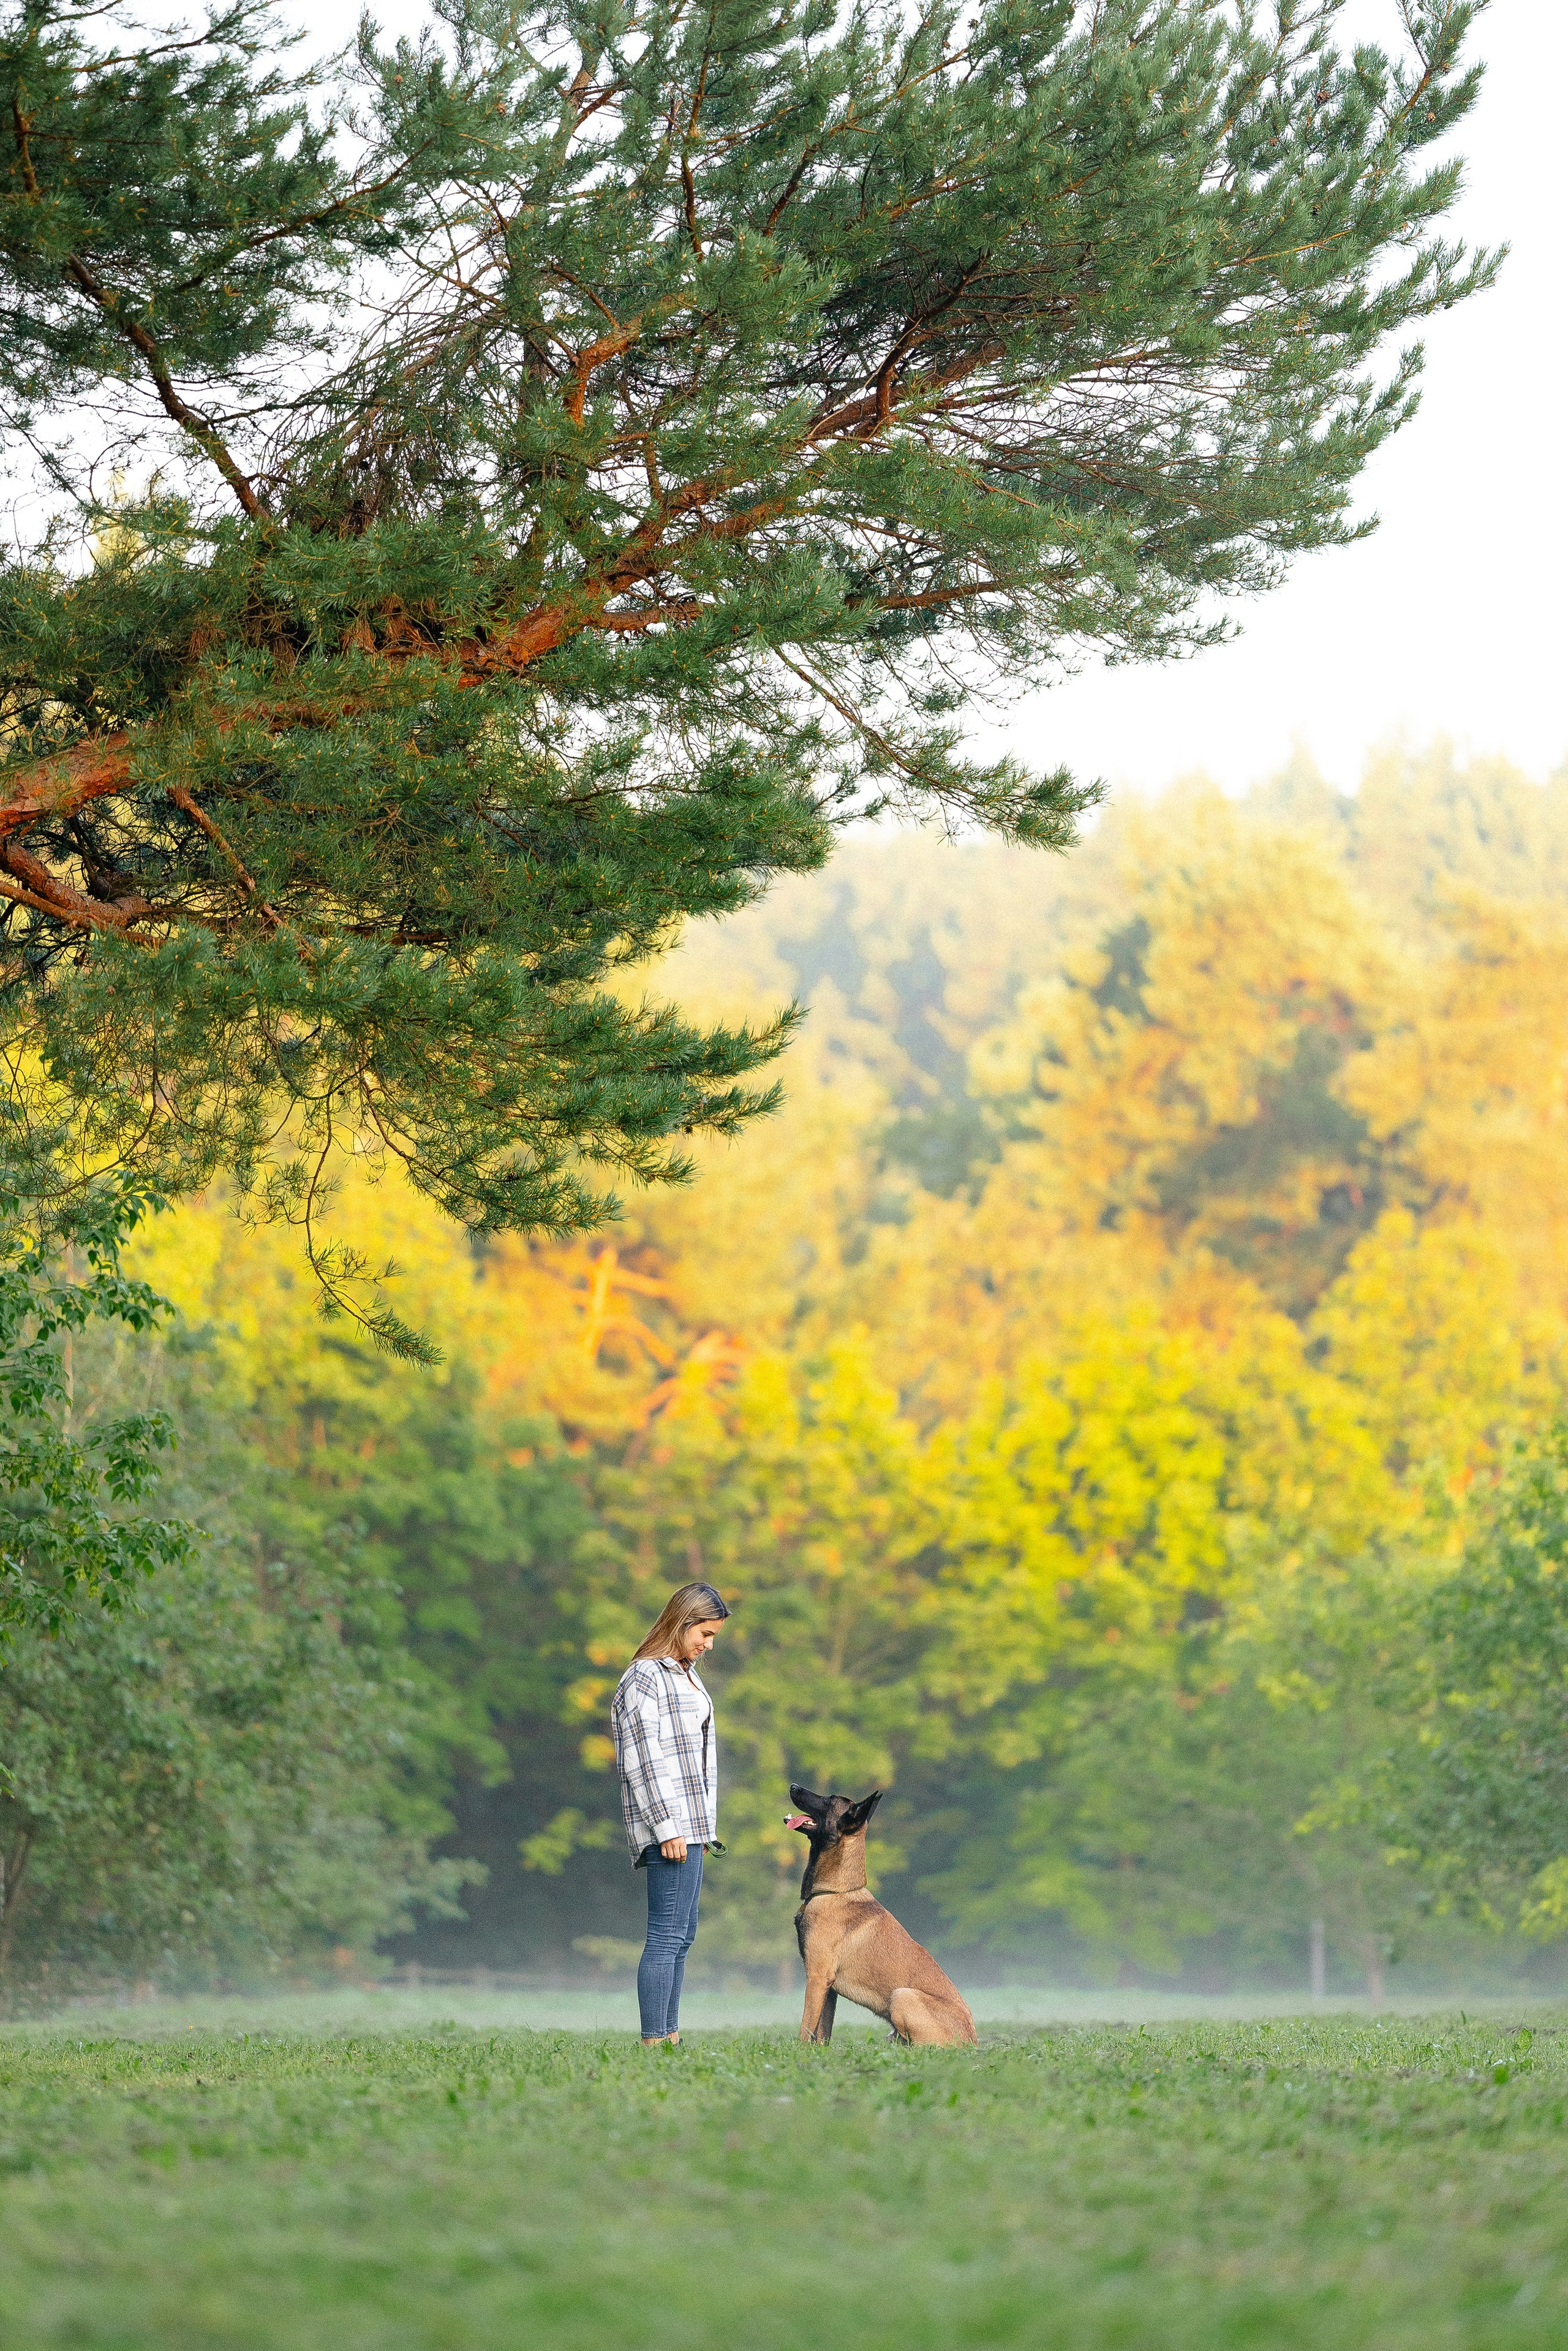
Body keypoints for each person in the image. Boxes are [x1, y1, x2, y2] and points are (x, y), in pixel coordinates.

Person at [611, 1581, 730, 2046]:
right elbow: (643, 1757)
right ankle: (653, 2042)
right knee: (665, 1935)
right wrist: (667, 1827)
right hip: (671, 1827)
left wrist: (699, 1827)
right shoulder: (645, 1676)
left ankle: (671, 2037)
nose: (708, 1644)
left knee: (683, 1936)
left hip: (694, 1826)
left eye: (714, 1636)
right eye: (704, 1632)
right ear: (682, 1622)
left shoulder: (684, 1674)